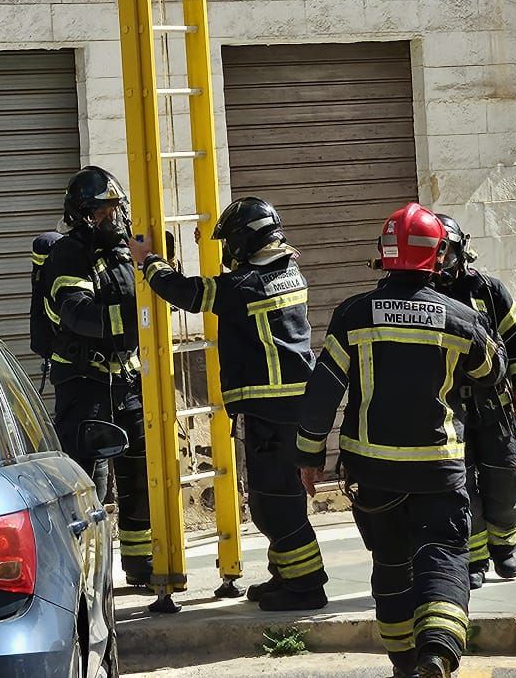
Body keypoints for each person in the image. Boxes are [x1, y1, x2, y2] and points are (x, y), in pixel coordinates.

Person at [295, 203, 499, 678]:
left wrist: (310, 457)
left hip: (373, 472)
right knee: (445, 554)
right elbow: (492, 372)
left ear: (383, 256)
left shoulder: (353, 315)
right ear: (439, 255)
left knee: (390, 565)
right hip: (438, 468)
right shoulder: (460, 319)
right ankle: (438, 651)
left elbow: (321, 394)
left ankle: (404, 665)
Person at [130, 196, 327, 611]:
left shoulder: (245, 287)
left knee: (272, 505)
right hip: (294, 406)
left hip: (269, 409)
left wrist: (150, 261)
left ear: (242, 241)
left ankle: (306, 585)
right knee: (282, 496)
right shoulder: (288, 272)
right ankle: (286, 576)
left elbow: (186, 293)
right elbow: (240, 293)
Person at [42, 166, 152, 589]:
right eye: (107, 210)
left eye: (116, 208)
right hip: (84, 384)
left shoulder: (122, 252)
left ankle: (142, 568)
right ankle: (84, 576)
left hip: (125, 379)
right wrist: (134, 321)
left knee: (140, 473)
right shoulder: (67, 255)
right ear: (85, 214)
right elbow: (76, 313)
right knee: (88, 483)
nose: (115, 217)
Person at [435, 213, 516, 586]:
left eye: (444, 253)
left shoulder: (489, 291)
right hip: (449, 411)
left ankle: (505, 548)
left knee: (505, 480)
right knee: (460, 486)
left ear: (459, 251)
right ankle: (474, 559)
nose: (439, 263)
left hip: (495, 407)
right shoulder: (422, 297)